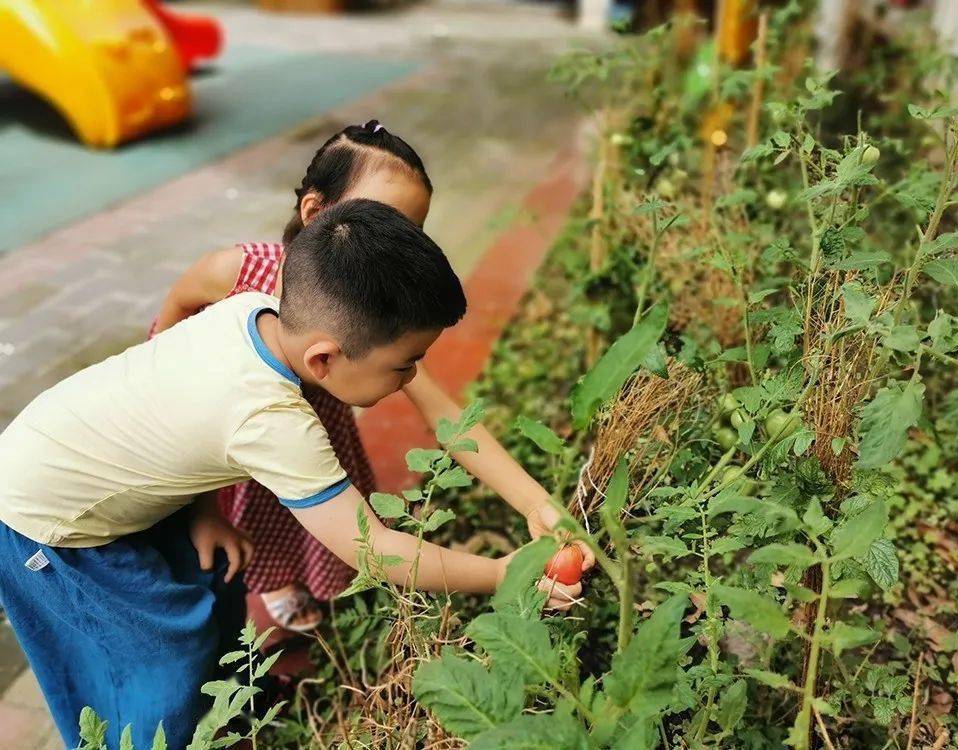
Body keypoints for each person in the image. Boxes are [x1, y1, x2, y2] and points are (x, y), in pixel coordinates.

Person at [0, 200, 583, 748]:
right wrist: (503, 575)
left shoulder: (253, 308)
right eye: (403, 365)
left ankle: (227, 708)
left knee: (212, 587)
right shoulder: (273, 420)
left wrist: (205, 510)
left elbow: (179, 407)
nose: (409, 379)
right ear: (324, 359)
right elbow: (374, 549)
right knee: (152, 672)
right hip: (47, 523)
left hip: (90, 469)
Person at [154, 120, 591, 631]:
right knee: (243, 514)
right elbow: (170, 331)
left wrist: (535, 502)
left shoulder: (375, 316)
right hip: (224, 435)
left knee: (303, 517)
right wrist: (203, 508)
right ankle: (272, 582)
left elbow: (446, 416)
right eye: (380, 221)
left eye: (411, 234)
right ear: (317, 212)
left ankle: (296, 577)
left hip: (306, 435)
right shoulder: (234, 274)